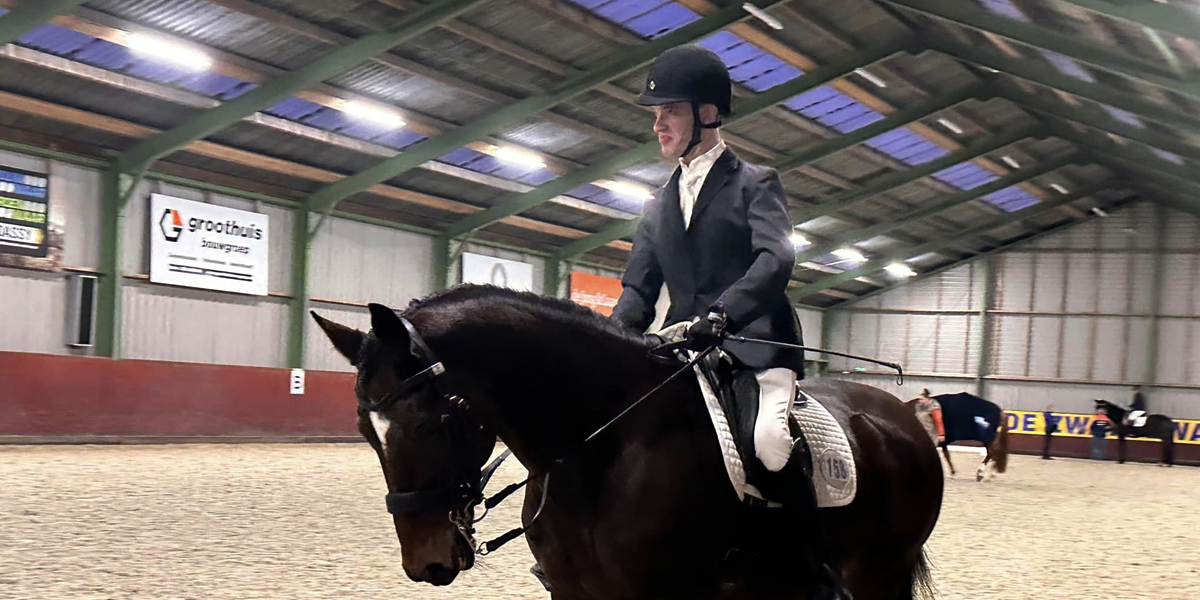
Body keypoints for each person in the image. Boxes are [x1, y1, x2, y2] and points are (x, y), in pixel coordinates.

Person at [605, 44, 842, 597]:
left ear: (708, 114)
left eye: (672, 111)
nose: (658, 122)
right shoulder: (656, 204)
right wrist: (611, 339)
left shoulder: (755, 182)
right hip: (684, 347)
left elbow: (776, 258)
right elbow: (639, 288)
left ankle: (815, 571)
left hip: (756, 342)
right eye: (656, 114)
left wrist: (723, 313)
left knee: (769, 444)